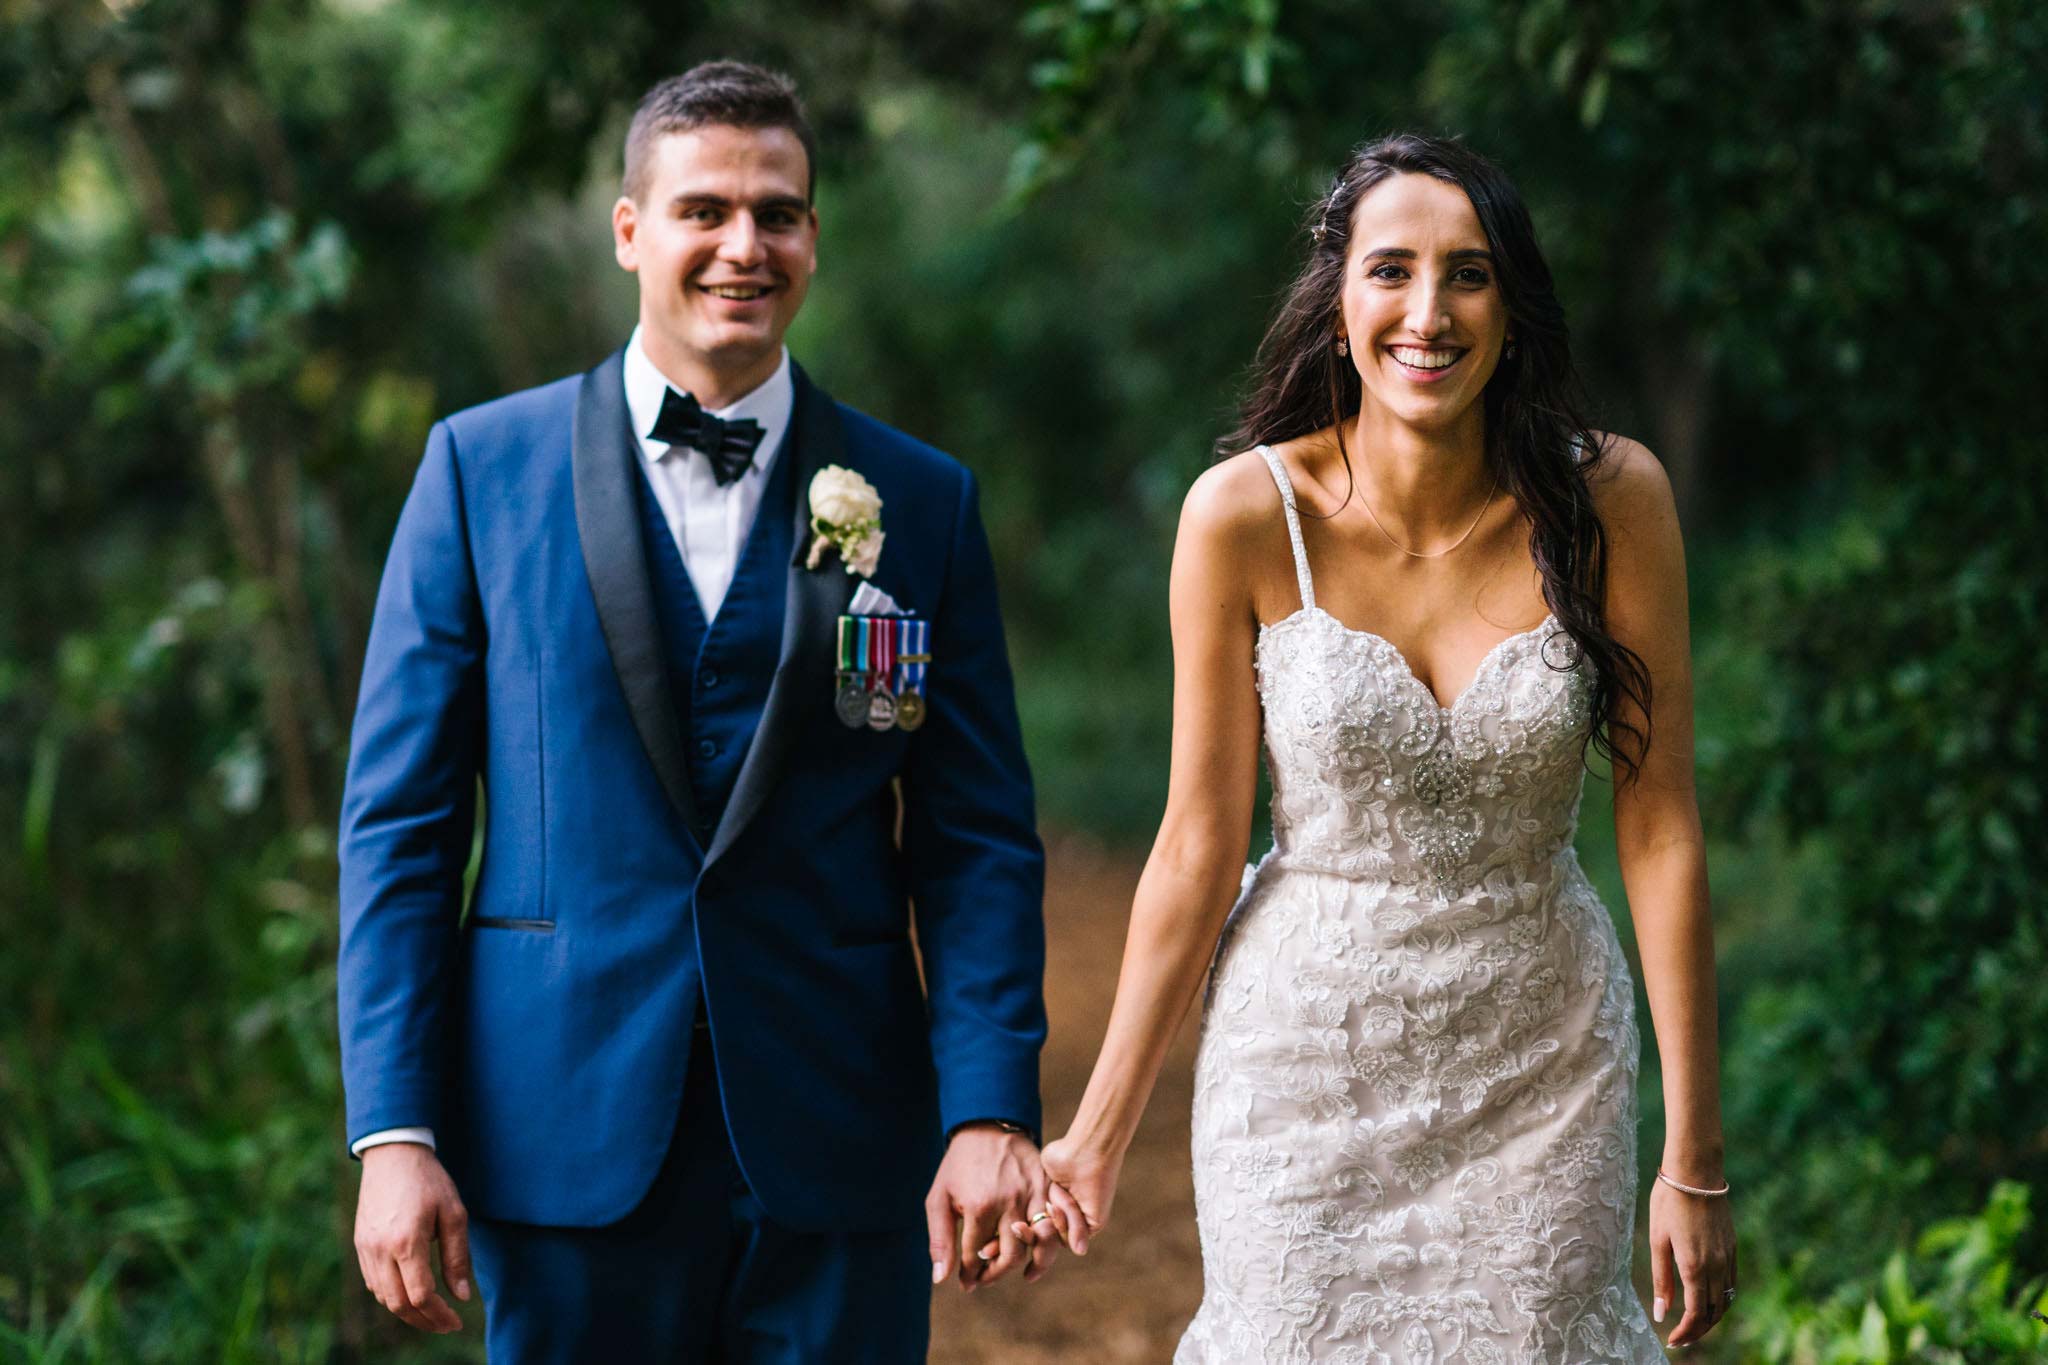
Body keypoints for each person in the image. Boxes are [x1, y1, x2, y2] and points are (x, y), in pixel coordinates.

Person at [337, 60, 1055, 1361]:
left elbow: (976, 839)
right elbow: (401, 831)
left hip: (839, 1132)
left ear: (814, 239)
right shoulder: (476, 473)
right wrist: (395, 1132)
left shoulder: (919, 499)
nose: (744, 244)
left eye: (777, 213)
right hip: (558, 1138)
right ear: (630, 232)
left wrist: (989, 1109)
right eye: (702, 209)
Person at [1031, 133, 1737, 1360]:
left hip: (1546, 1056)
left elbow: (1659, 824)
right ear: (1337, 296)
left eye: (1466, 274)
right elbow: (1198, 844)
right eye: (1390, 270)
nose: (1427, 312)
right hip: (1301, 1065)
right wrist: (1093, 1133)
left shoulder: (1612, 502)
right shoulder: (1244, 517)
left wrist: (1693, 1154)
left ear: (1511, 306)